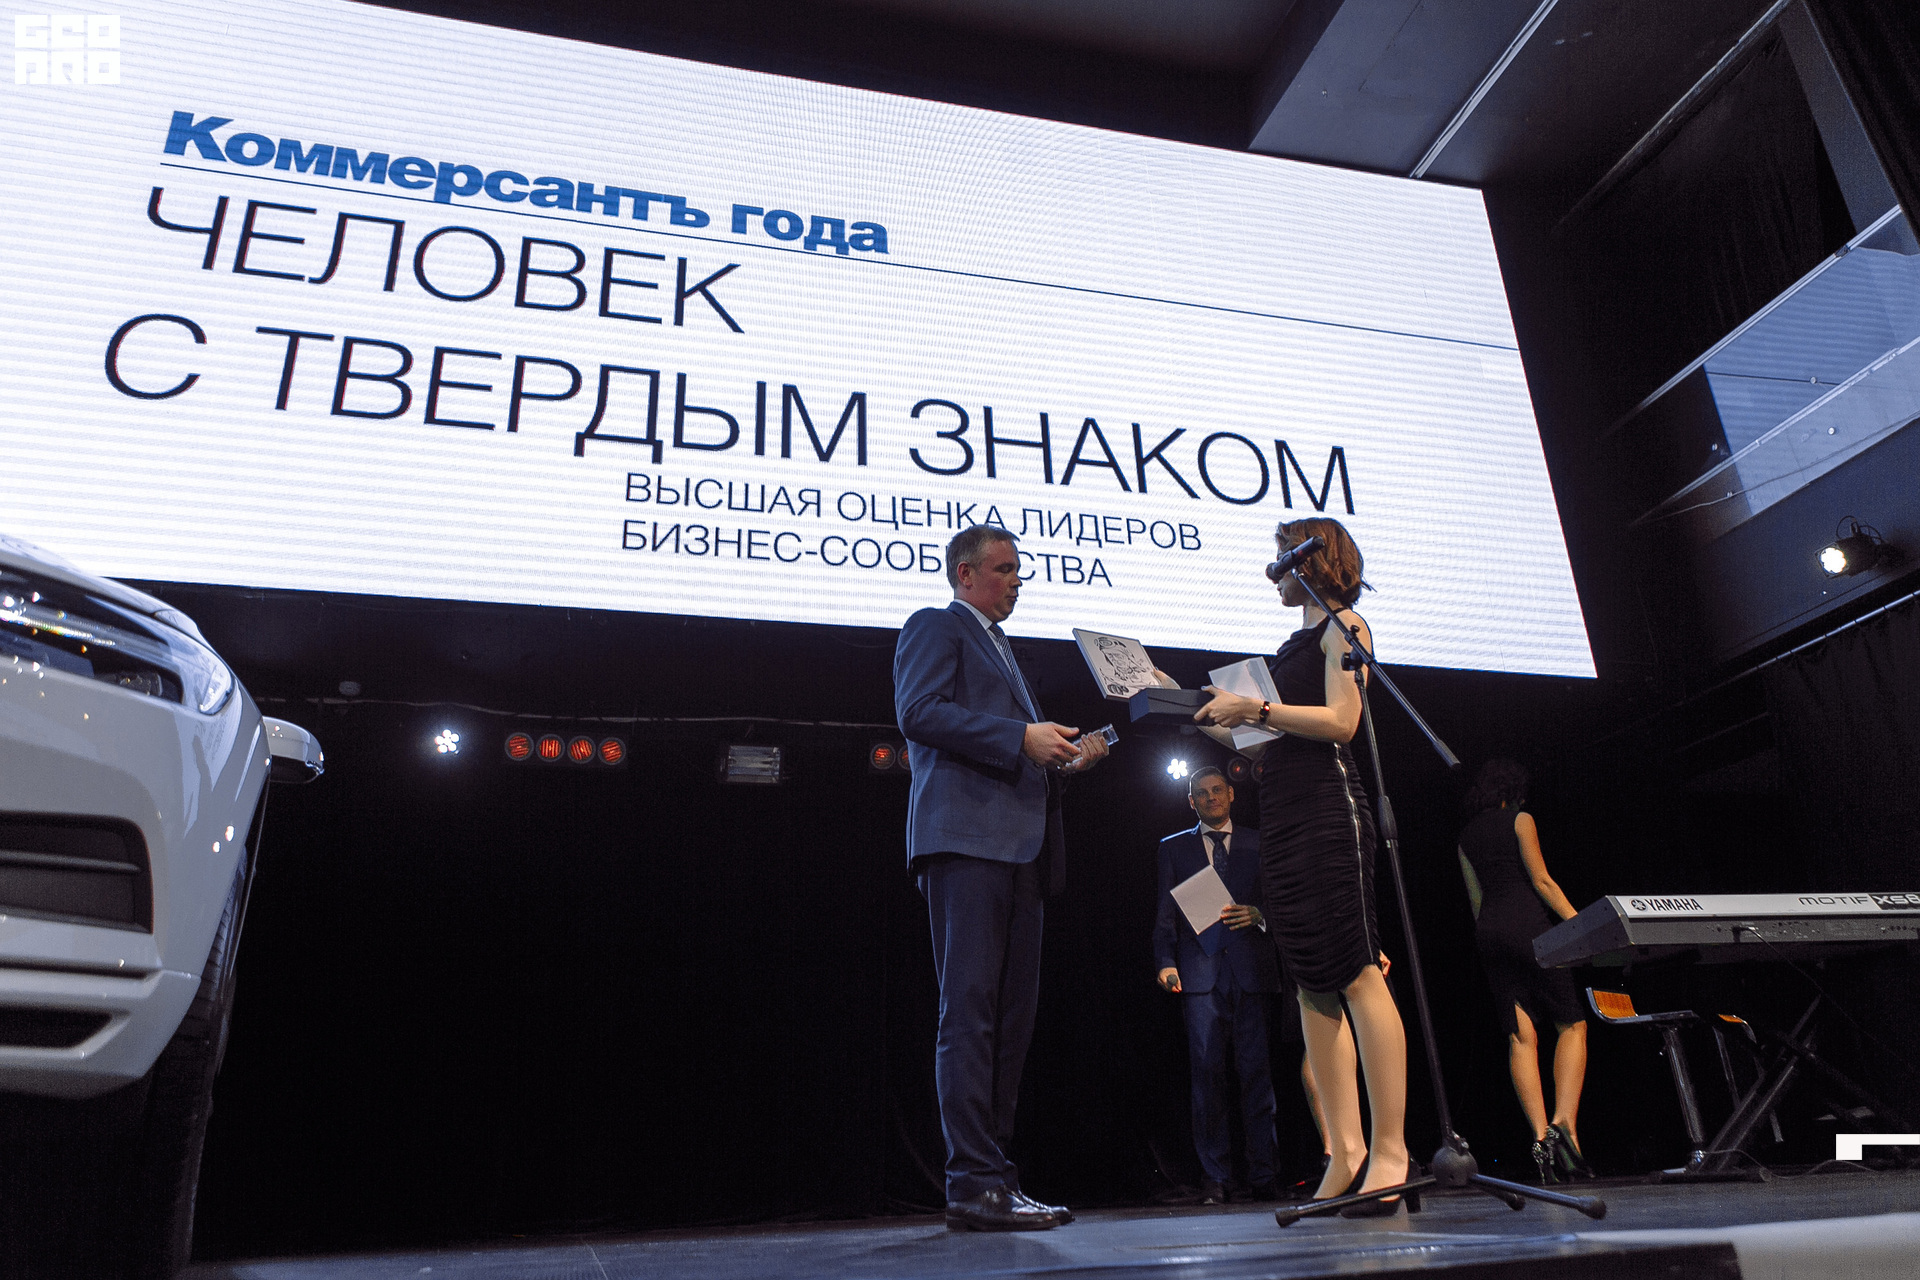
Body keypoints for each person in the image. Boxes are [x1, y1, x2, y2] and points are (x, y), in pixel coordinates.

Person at [1189, 516, 1414, 1217]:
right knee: (1311, 984)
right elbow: (1264, 746)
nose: (1274, 570)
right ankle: (1344, 1151)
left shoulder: (1346, 627)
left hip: (1327, 811)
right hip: (1284, 814)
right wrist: (1199, 708)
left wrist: (1255, 706)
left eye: (1281, 555)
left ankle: (1391, 1152)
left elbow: (1343, 722)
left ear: (1310, 559)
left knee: (1355, 970)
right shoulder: (1293, 644)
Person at [894, 524, 1109, 1231]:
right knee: (971, 1016)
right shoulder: (936, 625)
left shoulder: (1004, 649)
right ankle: (971, 1183)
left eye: (1020, 570)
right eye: (1005, 568)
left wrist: (1063, 757)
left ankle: (996, 1181)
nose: (1017, 580)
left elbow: (1017, 751)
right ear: (965, 574)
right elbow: (918, 712)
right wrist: (1020, 736)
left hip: (1021, 851)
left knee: (1010, 1024)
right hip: (966, 844)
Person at [1456, 758, 1593, 1182]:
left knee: (1520, 1036)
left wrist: (1490, 940)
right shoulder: (1521, 820)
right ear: (1514, 791)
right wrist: (1582, 928)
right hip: (1528, 926)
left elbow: (1476, 900)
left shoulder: (1465, 837)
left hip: (1490, 933)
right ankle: (1565, 1127)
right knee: (1571, 1024)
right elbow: (1542, 881)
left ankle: (1539, 1139)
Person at [1153, 766, 1280, 1203]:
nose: (1211, 798)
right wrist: (1165, 962)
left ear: (1231, 794)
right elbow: (1165, 912)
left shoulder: (1259, 842)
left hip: (1251, 969)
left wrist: (1261, 915)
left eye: (1217, 790)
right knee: (1207, 1077)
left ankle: (1264, 1175)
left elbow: (1281, 899)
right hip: (1200, 974)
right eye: (1202, 793)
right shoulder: (1174, 847)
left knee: (1257, 1075)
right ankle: (1216, 1178)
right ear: (1191, 801)